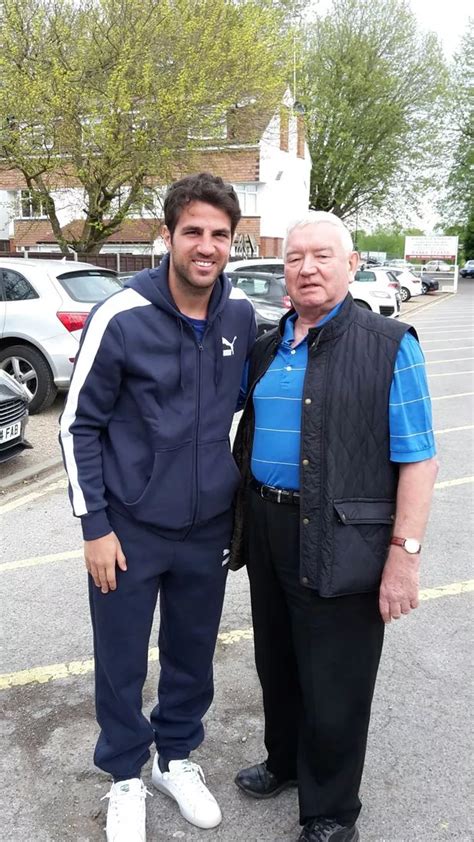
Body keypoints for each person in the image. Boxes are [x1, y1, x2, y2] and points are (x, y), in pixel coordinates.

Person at [59, 172, 256, 842]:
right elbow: (76, 425)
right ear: (166, 236)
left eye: (220, 234)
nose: (206, 245)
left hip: (205, 531)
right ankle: (123, 776)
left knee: (191, 653)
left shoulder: (238, 317)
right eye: (193, 231)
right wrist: (95, 527)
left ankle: (175, 759)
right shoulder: (121, 314)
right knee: (120, 659)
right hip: (129, 531)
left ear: (234, 241)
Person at [230, 211, 438, 842]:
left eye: (323, 256)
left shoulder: (388, 343)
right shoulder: (269, 344)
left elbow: (419, 457)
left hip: (345, 535)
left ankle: (330, 809)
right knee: (279, 658)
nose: (307, 268)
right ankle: (286, 762)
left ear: (352, 265)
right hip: (268, 526)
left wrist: (403, 556)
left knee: (336, 676)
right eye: (295, 258)